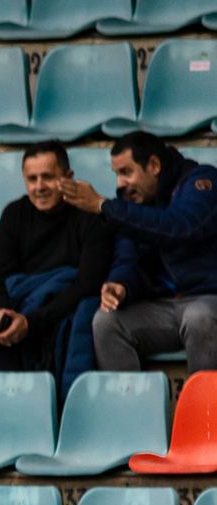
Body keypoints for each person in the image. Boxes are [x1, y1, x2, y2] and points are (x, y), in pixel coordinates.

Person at [0, 141, 112, 399]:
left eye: (48, 177)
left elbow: (87, 285)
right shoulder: (14, 214)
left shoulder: (89, 218)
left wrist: (30, 323)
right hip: (19, 319)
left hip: (57, 319)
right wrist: (2, 313)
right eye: (32, 179)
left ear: (68, 177)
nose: (39, 187)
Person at [60, 131, 217, 374]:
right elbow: (127, 257)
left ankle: (207, 410)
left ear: (154, 165)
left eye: (126, 172)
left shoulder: (202, 182)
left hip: (208, 300)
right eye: (117, 175)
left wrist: (103, 206)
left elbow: (179, 227)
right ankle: (129, 409)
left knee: (199, 317)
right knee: (107, 321)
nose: (120, 184)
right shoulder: (130, 201)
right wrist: (121, 284)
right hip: (165, 308)